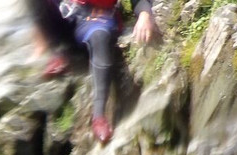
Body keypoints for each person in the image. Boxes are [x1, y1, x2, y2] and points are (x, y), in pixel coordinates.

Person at [27, 0, 159, 144]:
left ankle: (99, 117)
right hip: (68, 16)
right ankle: (58, 52)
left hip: (96, 20)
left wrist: (145, 16)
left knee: (99, 36)